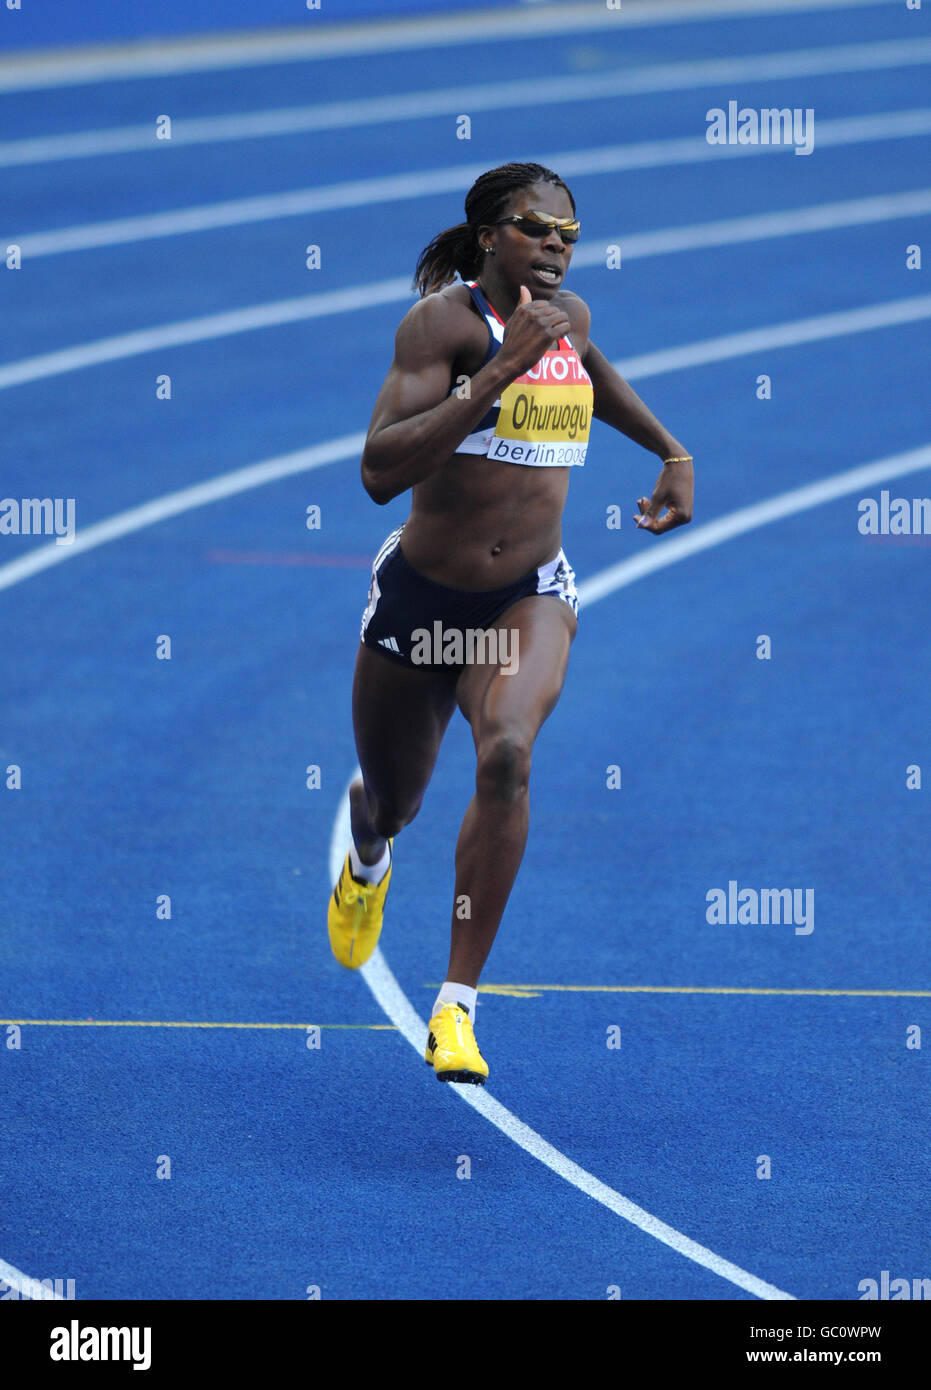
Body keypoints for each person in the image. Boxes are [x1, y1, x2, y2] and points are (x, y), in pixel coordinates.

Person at [327, 162, 692, 1084]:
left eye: (569, 234)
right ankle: (367, 850)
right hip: (420, 604)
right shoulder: (441, 327)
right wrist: (499, 369)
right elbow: (378, 472)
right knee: (398, 799)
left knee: (506, 755)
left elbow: (591, 376)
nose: (558, 248)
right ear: (490, 236)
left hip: (528, 595)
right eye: (537, 230)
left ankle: (455, 1008)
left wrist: (667, 448)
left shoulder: (567, 319)